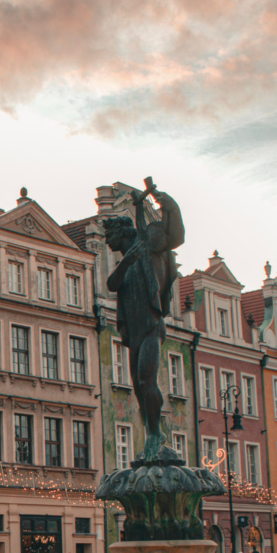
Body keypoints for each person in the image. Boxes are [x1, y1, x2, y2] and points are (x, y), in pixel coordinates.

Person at [104, 180, 184, 462]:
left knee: (145, 378)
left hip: (151, 325)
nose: (107, 243)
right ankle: (152, 430)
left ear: (121, 234)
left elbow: (173, 235)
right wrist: (126, 260)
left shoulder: (148, 247)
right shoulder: (126, 262)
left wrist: (165, 203)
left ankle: (155, 433)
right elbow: (112, 283)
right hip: (134, 330)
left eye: (110, 236)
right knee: (138, 386)